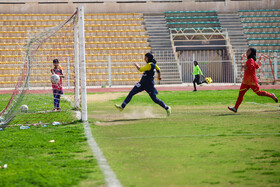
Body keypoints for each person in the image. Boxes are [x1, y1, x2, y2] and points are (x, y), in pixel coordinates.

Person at [228, 48, 278, 113]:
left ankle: (272, 96)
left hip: (252, 81)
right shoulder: (251, 60)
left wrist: (245, 66)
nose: (247, 52)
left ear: (251, 53)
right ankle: (235, 108)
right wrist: (250, 65)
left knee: (259, 93)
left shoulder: (251, 60)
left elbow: (251, 67)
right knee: (241, 94)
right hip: (246, 81)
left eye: (248, 51)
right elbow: (257, 66)